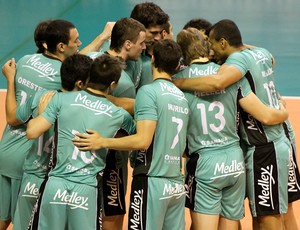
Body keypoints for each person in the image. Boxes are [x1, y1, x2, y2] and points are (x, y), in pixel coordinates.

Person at [173, 19, 291, 230]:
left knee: (268, 220)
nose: (210, 48)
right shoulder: (261, 53)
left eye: (213, 42)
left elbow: (217, 82)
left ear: (223, 43)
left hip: (261, 149)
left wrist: (177, 82)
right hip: (263, 147)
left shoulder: (233, 66)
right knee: (271, 215)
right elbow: (271, 60)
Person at [73, 39, 189, 230]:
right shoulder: (181, 98)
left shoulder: (148, 91)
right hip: (175, 184)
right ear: (177, 65)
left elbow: (143, 140)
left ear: (152, 59)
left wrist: (102, 141)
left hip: (152, 181)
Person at [25, 54, 135, 230]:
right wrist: (105, 141)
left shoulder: (60, 100)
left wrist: (41, 112)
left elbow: (31, 132)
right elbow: (138, 140)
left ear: (89, 76)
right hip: (86, 191)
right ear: (113, 85)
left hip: (55, 185)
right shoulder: (118, 115)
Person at [0, 19, 82, 230]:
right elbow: (81, 66)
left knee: (2, 218)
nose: (80, 43)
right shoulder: (63, 75)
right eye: (76, 40)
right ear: (61, 46)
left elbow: (11, 117)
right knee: (26, 222)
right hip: (29, 160)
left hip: (6, 152)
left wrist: (9, 81)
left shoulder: (26, 60)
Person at [86, 17, 146, 230]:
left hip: (82, 152)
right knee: (113, 212)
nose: (145, 48)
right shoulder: (125, 82)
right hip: (111, 158)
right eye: (141, 43)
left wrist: (102, 36)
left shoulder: (91, 59)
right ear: (127, 44)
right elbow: (128, 128)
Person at [130, 2, 170, 89]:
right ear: (138, 27)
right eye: (153, 33)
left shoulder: (150, 53)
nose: (158, 38)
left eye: (160, 32)